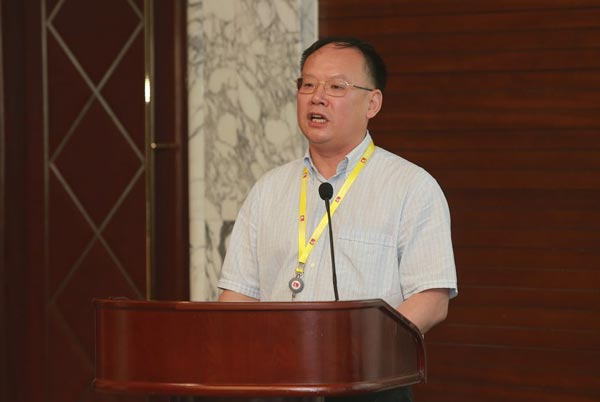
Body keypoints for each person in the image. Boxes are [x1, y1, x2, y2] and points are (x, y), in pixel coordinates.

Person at [218, 37, 457, 402]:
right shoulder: (268, 189)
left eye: (336, 87)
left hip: (369, 385)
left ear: (372, 103)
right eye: (308, 84)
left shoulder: (410, 186)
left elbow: (431, 298)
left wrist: (357, 353)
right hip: (275, 383)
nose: (317, 97)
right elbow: (237, 295)